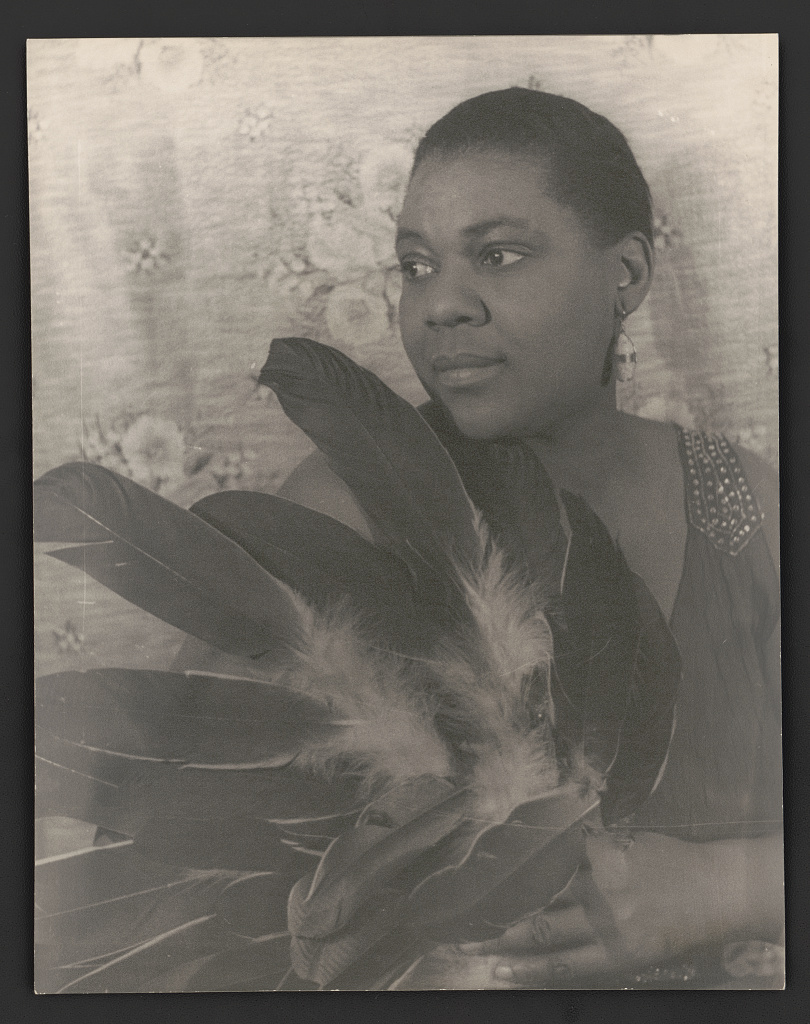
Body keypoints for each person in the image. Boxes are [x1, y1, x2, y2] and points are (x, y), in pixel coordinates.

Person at [176, 87, 782, 988]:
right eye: (416, 266)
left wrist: (718, 888)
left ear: (627, 275)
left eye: (498, 255)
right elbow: (173, 822)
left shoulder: (745, 505)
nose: (440, 306)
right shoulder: (342, 506)